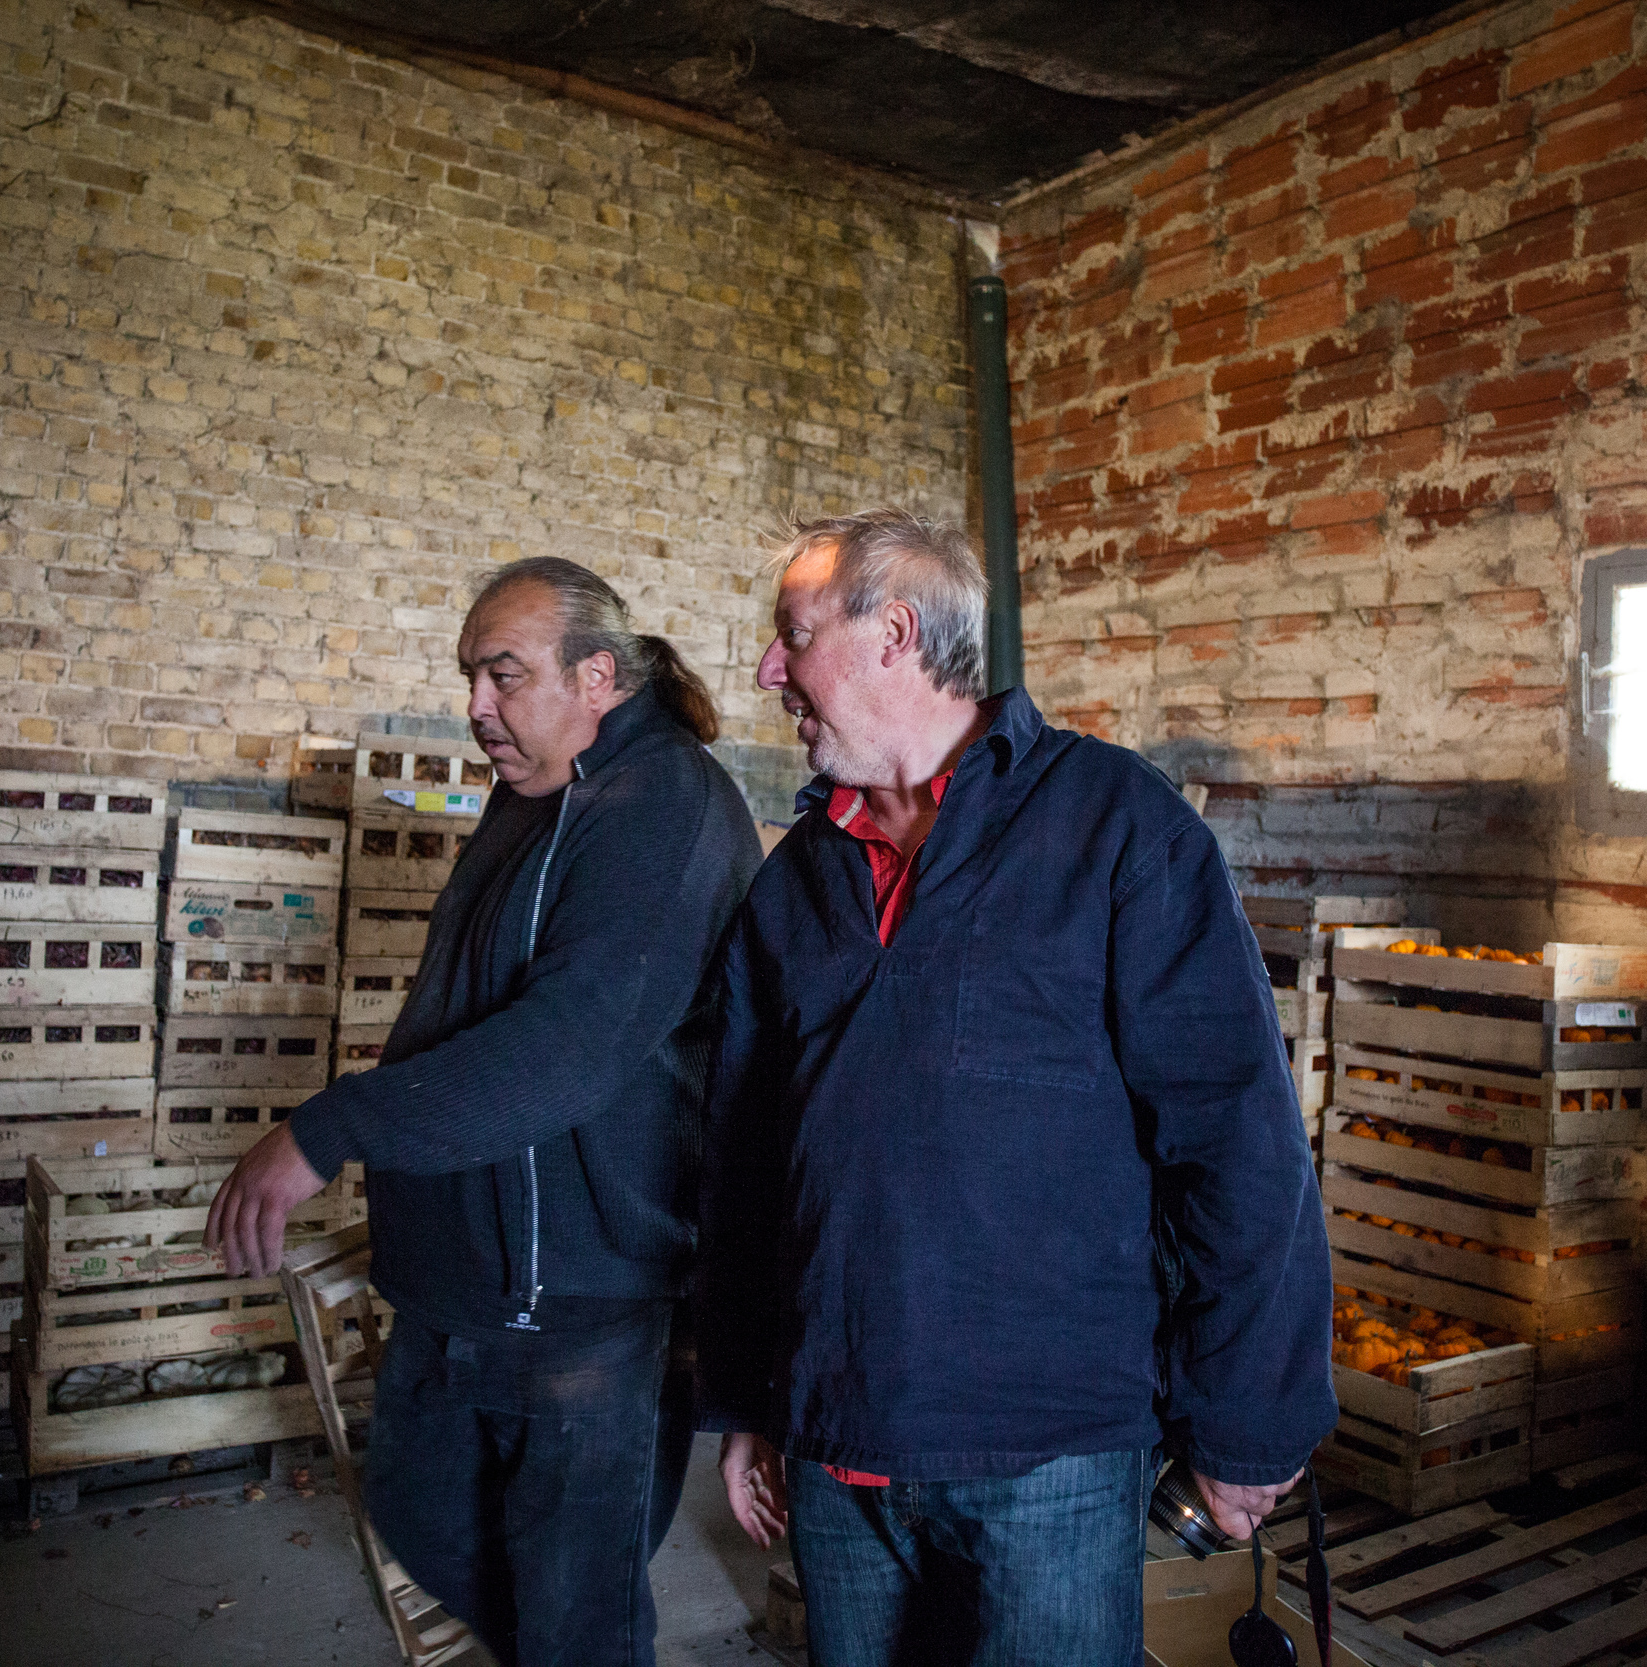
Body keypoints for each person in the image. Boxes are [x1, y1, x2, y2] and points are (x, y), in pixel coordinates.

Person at [698, 509, 1335, 1666]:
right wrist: (748, 1394)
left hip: (1046, 1459)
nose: (765, 670)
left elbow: (1236, 1138)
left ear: (893, 631)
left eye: (790, 635)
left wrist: (1249, 1420)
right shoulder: (793, 882)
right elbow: (745, 1163)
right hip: (838, 1449)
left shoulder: (1111, 826)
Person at [204, 557, 764, 1667]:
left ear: (595, 676)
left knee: (575, 1610)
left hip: (583, 1301)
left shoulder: (662, 807)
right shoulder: (537, 793)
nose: (475, 706)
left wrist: (327, 1128)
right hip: (467, 1273)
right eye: (471, 677)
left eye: (502, 675)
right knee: (419, 1507)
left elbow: (564, 1047)